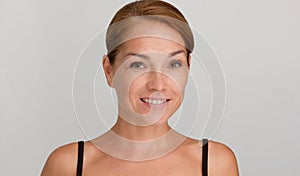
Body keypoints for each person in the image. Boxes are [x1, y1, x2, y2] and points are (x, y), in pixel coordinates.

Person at [41, 0, 239, 175]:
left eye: (174, 64)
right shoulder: (69, 166)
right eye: (138, 65)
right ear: (109, 71)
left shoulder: (215, 164)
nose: (158, 84)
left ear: (188, 67)